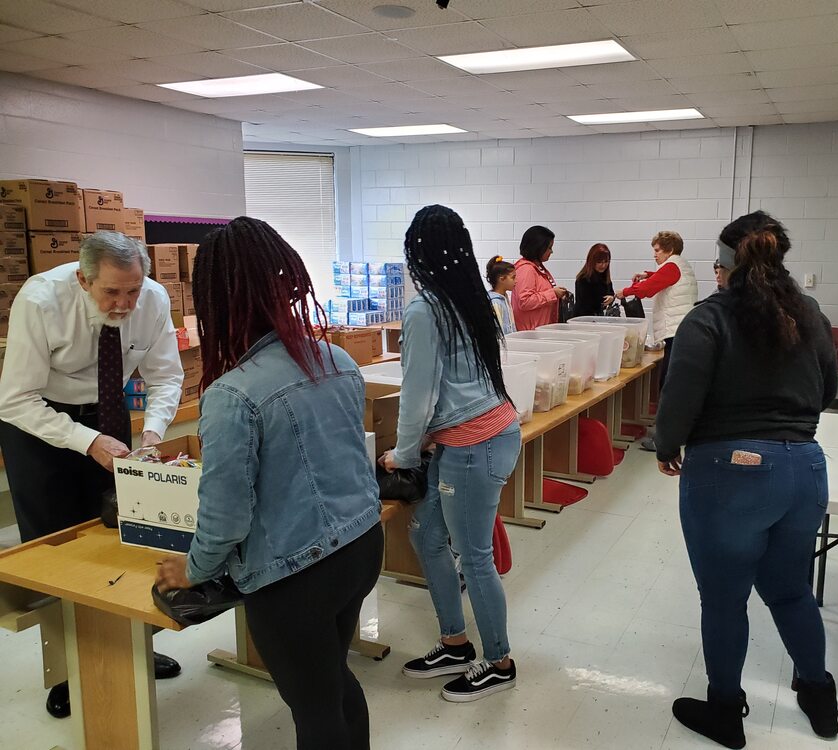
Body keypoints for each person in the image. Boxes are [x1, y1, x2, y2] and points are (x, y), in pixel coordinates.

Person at [154, 217, 383, 750]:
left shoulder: (233, 395)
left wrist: (193, 568)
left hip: (295, 576)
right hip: (360, 547)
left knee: (314, 706)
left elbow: (227, 514)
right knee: (333, 680)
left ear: (216, 299)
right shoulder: (338, 359)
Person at [655, 211, 838, 749]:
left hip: (727, 475)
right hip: (804, 469)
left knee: (724, 598)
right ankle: (818, 696)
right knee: (789, 590)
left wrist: (668, 446)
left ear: (726, 265)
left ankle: (726, 714)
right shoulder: (810, 314)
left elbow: (680, 397)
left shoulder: (707, 319)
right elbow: (826, 388)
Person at [0, 231, 184, 718]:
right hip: (40, 421)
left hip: (108, 411)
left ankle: (136, 645)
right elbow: (15, 399)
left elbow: (166, 375)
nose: (125, 303)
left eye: (133, 290)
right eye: (111, 292)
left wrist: (153, 434)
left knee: (123, 533)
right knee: (57, 549)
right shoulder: (40, 300)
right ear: (83, 280)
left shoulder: (154, 298)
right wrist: (85, 442)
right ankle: (66, 671)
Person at [380, 205, 521, 702]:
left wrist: (403, 453)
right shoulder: (470, 299)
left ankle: (499, 661)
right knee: (426, 535)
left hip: (474, 445)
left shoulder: (424, 310)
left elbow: (417, 393)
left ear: (416, 255)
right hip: (484, 433)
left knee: (475, 557)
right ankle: (455, 643)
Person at [617, 231, 697, 451]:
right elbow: (663, 279)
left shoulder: (671, 267)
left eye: (657, 250)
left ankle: (665, 439)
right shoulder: (679, 265)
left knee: (668, 386)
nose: (655, 255)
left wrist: (622, 293)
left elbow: (647, 290)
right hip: (681, 333)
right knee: (670, 383)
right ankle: (670, 434)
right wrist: (649, 274)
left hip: (675, 333)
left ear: (669, 250)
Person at [511, 224, 569, 330]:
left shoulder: (537, 267)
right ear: (538, 248)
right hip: (531, 333)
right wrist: (553, 293)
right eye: (549, 248)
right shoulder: (526, 269)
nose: (551, 251)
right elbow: (525, 302)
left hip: (538, 331)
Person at [573, 243, 615, 317]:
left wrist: (611, 297)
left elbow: (610, 292)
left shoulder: (605, 277)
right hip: (584, 320)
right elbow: (587, 305)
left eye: (606, 262)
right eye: (599, 262)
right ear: (592, 261)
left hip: (598, 317)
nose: (603, 265)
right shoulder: (583, 279)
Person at [486, 255, 516, 335]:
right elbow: (499, 332)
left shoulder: (504, 298)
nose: (516, 281)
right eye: (513, 278)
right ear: (502, 279)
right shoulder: (495, 302)